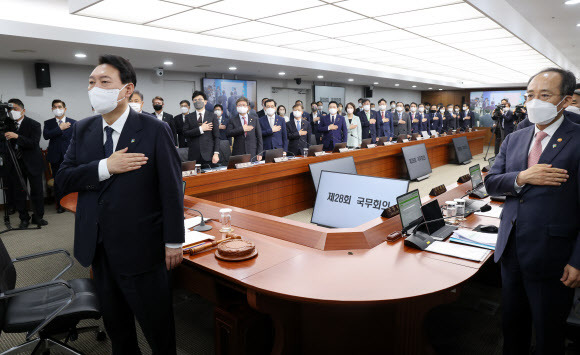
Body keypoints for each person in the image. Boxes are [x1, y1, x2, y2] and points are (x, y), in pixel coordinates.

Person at [56, 54, 183, 355]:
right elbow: (62, 180)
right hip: (98, 247)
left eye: (104, 82)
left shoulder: (153, 129)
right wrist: (105, 166)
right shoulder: (83, 128)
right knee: (117, 328)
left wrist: (174, 240)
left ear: (126, 90)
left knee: (157, 327)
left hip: (142, 246)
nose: (95, 88)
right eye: (91, 82)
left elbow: (171, 187)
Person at [484, 68, 580, 355]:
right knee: (512, 324)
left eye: (545, 95)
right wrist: (522, 177)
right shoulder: (516, 137)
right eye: (529, 95)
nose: (534, 102)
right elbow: (491, 182)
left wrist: (578, 260)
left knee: (549, 331)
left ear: (565, 100)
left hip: (553, 256)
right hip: (511, 249)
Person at [6, 99, 46, 228]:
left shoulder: (34, 124)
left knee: (37, 192)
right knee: (19, 192)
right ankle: (23, 218)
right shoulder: (7, 125)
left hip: (33, 163)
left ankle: (38, 217)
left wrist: (17, 137)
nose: (13, 112)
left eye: (16, 109)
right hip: (15, 163)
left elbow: (33, 143)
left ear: (23, 110)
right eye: (10, 110)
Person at [43, 99, 76, 213]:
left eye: (60, 106)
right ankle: (60, 204)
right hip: (55, 156)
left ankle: (71, 202)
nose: (58, 109)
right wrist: (60, 128)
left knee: (71, 179)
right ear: (52, 109)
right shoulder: (48, 123)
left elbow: (77, 140)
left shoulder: (74, 122)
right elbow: (46, 136)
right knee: (58, 181)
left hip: (70, 156)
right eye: (55, 107)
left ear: (65, 109)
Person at [183, 91, 220, 166]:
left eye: (200, 99)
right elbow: (185, 133)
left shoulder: (212, 116)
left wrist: (216, 153)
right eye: (195, 100)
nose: (197, 101)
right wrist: (200, 129)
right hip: (193, 155)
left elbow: (216, 137)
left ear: (205, 102)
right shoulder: (188, 117)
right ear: (193, 102)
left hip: (209, 155)